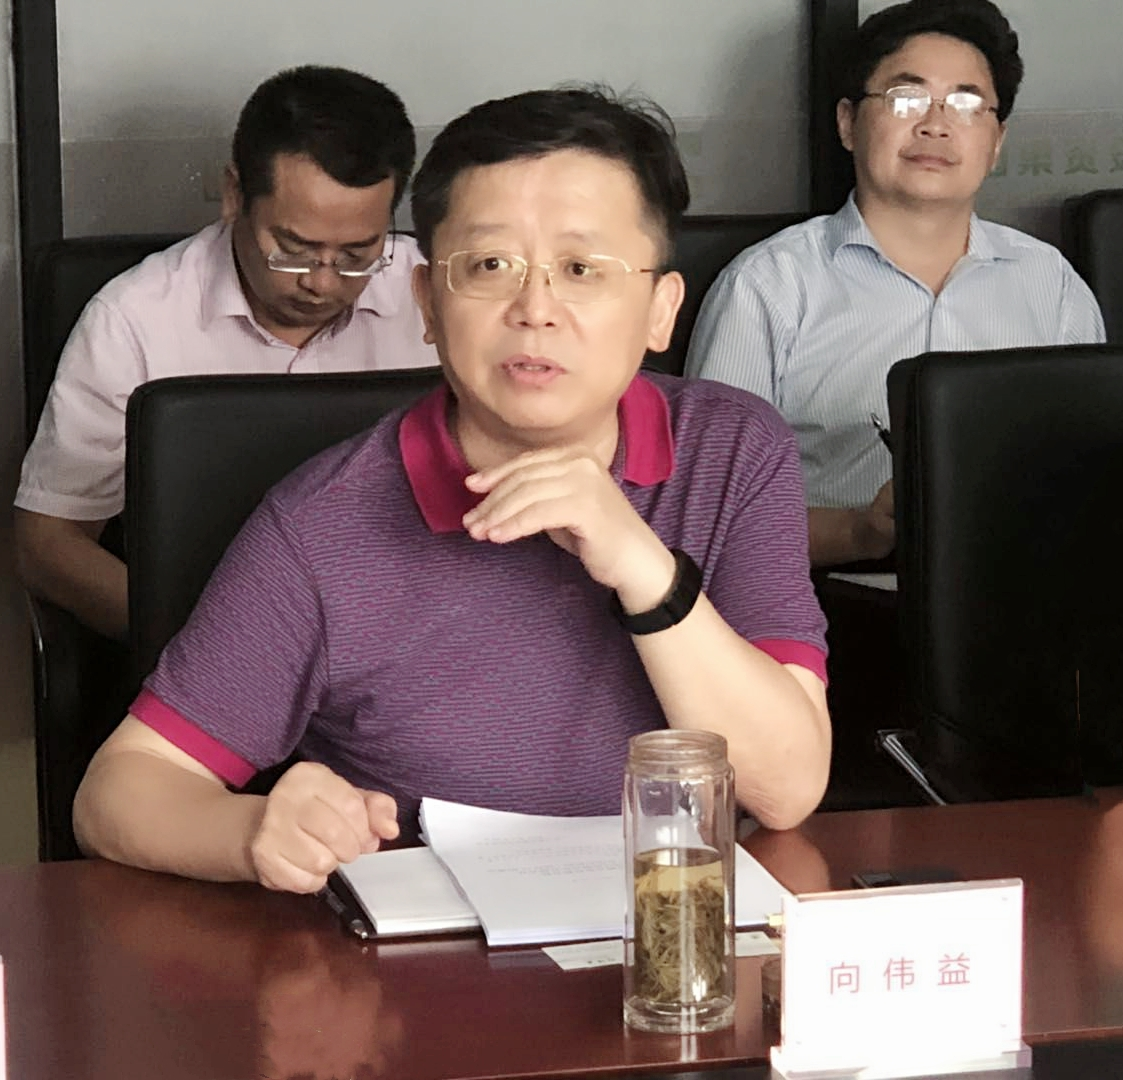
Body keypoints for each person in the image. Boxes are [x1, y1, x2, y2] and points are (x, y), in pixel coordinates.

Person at [74, 87, 831, 894]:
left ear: (659, 309)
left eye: (581, 270)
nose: (535, 310)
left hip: (675, 933)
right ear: (428, 305)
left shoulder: (732, 449)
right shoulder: (323, 522)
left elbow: (784, 788)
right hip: (431, 951)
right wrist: (252, 830)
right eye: (489, 266)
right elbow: (117, 794)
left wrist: (642, 567)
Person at [14, 65, 437, 640]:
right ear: (235, 195)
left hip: (409, 631)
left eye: (358, 255)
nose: (322, 282)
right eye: (293, 249)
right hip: (208, 629)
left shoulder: (436, 297)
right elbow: (46, 545)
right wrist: (214, 649)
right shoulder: (135, 319)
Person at [685, 0, 1105, 568]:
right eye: (906, 98)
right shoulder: (768, 285)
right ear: (847, 123)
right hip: (835, 595)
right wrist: (858, 531)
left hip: (1024, 587)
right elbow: (706, 516)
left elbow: (1092, 474)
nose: (935, 124)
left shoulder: (1051, 283)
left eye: (966, 103)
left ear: (997, 141)